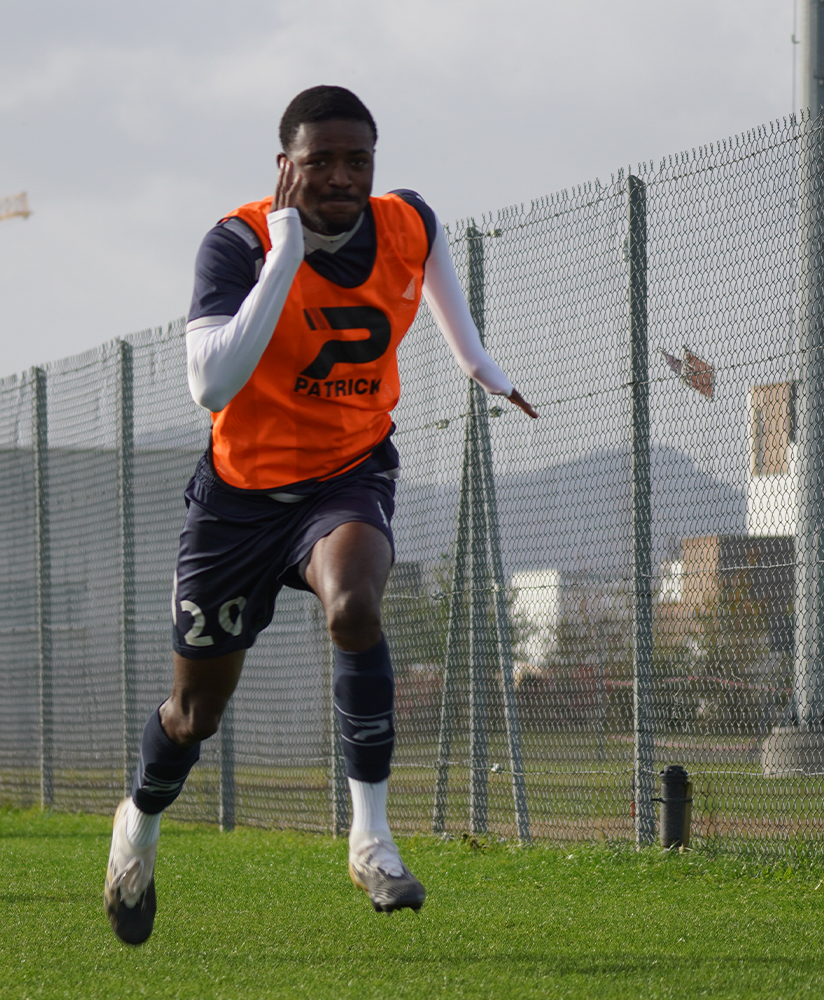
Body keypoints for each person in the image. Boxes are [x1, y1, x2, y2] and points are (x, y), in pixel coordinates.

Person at [103, 86, 536, 945]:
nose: (341, 177)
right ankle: (140, 826)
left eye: (357, 161)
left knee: (357, 605)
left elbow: (436, 257)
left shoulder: (405, 221)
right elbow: (210, 385)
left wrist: (480, 360)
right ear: (284, 168)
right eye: (320, 162)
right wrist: (286, 255)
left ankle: (371, 839)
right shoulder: (236, 243)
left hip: (346, 472)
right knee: (196, 715)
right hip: (239, 501)